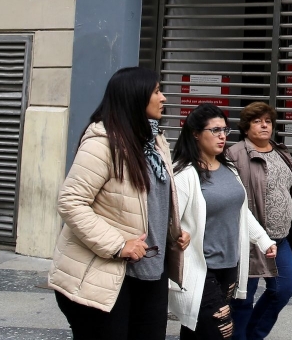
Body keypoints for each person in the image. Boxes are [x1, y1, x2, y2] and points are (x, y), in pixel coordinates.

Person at [49, 67, 190, 340]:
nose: (163, 98)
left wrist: (174, 233)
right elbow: (71, 201)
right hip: (105, 276)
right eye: (157, 91)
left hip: (151, 272)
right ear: (135, 96)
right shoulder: (103, 143)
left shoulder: (155, 141)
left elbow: (154, 201)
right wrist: (118, 245)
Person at [169, 103, 277, 340]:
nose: (221, 136)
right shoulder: (184, 174)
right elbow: (170, 219)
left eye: (225, 130)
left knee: (197, 331)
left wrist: (263, 240)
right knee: (221, 330)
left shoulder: (228, 168)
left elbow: (240, 211)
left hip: (228, 265)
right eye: (215, 130)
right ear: (196, 133)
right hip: (199, 267)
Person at [227, 102, 292, 340]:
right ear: (245, 126)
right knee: (243, 299)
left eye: (268, 121)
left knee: (284, 288)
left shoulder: (280, 152)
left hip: (280, 239)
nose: (264, 125)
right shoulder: (235, 154)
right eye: (257, 121)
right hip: (250, 241)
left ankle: (254, 335)